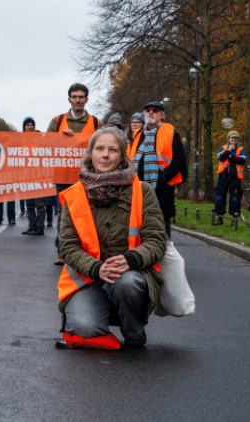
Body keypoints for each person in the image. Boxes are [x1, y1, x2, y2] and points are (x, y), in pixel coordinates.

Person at [56, 126, 167, 349]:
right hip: (89, 277)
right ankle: (98, 312)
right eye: (100, 149)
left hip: (130, 274)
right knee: (84, 327)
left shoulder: (142, 191)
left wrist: (130, 260)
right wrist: (97, 268)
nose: (105, 155)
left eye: (112, 150)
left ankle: (134, 333)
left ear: (123, 156)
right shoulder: (75, 194)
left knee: (127, 284)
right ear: (90, 154)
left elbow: (157, 240)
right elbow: (67, 246)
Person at [47, 83, 100, 264]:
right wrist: (60, 137)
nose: (78, 100)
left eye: (81, 97)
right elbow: (45, 145)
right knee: (64, 214)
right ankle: (63, 252)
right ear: (69, 99)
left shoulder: (96, 123)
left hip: (88, 176)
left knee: (87, 213)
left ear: (86, 100)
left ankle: (86, 251)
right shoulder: (58, 121)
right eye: (74, 97)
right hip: (63, 176)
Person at [127, 101, 186, 238]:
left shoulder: (170, 132)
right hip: (140, 187)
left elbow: (179, 159)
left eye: (155, 110)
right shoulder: (138, 134)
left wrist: (164, 178)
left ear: (162, 115)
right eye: (148, 110)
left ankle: (164, 254)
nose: (151, 113)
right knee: (142, 222)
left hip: (162, 187)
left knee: (162, 224)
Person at [20, 117, 50, 236]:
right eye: (27, 125)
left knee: (39, 203)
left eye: (32, 124)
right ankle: (32, 226)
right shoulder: (20, 140)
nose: (30, 127)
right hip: (25, 176)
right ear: (24, 127)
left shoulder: (39, 138)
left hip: (38, 175)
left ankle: (40, 227)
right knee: (30, 204)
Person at [213, 131, 247, 220]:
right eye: (232, 138)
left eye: (236, 138)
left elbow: (242, 160)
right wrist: (228, 150)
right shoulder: (223, 148)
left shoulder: (241, 149)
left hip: (235, 178)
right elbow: (220, 158)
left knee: (235, 197)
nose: (234, 140)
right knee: (220, 196)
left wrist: (231, 157)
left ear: (238, 140)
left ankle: (234, 218)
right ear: (229, 139)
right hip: (223, 176)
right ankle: (219, 217)